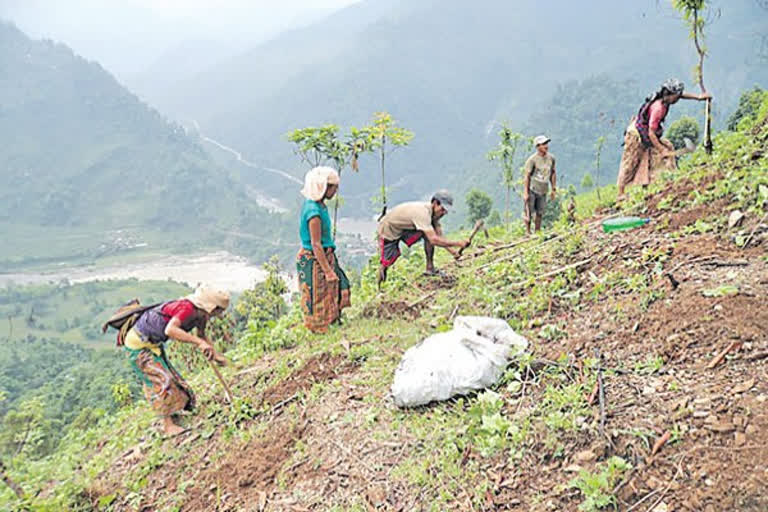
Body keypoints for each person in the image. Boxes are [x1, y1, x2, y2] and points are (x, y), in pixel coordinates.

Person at [124, 285, 230, 436]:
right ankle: (167, 426)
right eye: (218, 310)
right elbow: (170, 330)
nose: (219, 314)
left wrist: (214, 353)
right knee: (161, 381)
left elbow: (201, 335)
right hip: (138, 345)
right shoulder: (186, 308)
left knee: (174, 379)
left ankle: (174, 412)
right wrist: (199, 343)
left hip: (153, 344)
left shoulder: (201, 315)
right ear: (211, 307)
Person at [617, 78, 712, 200]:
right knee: (630, 162)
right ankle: (620, 193)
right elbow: (651, 133)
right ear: (668, 94)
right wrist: (661, 149)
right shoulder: (658, 108)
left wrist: (699, 97)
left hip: (646, 133)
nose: (677, 99)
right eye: (675, 96)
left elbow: (682, 95)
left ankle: (658, 183)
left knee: (663, 151)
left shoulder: (666, 100)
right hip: (636, 135)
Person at [297, 166, 351, 333]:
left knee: (336, 289)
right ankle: (320, 328)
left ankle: (332, 322)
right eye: (333, 187)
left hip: (325, 255)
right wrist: (327, 271)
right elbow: (316, 244)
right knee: (318, 296)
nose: (336, 191)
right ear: (324, 187)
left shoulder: (319, 205)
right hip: (315, 259)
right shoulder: (313, 211)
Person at [377, 190, 469, 286]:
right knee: (386, 263)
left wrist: (453, 252)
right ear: (434, 203)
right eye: (442, 209)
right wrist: (458, 243)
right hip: (389, 230)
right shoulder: (423, 214)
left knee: (428, 233)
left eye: (446, 211)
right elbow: (434, 240)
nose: (444, 213)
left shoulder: (433, 216)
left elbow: (439, 236)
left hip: (405, 228)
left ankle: (430, 269)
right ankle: (380, 287)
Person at [523, 135, 557, 235]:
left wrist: (553, 188)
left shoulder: (551, 158)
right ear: (538, 146)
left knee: (540, 212)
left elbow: (553, 172)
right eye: (544, 144)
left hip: (543, 189)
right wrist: (526, 192)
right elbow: (527, 176)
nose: (546, 146)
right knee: (529, 211)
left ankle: (538, 232)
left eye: (547, 144)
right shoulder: (532, 160)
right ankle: (528, 232)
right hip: (533, 188)